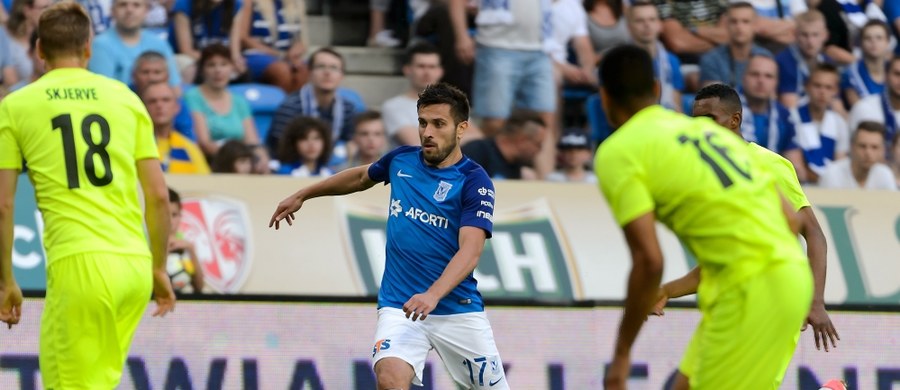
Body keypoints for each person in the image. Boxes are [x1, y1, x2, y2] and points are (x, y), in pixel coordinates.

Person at [595, 45, 812, 390]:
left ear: (604, 97)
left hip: (750, 289)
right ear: (656, 89)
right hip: (776, 278)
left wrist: (621, 355)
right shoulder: (707, 133)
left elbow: (649, 260)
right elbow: (791, 221)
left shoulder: (617, 152)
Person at [269, 82, 508, 390]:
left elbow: (471, 251)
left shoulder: (475, 181)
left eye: (439, 124)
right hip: (401, 305)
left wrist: (433, 294)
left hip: (457, 311)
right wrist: (304, 194)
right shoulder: (401, 160)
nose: (428, 132)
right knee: (390, 379)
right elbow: (359, 177)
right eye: (422, 123)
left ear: (461, 128)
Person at [0, 2, 175, 388]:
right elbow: (159, 197)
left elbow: (3, 204)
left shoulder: (15, 106)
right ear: (88, 49)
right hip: (133, 265)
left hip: (79, 266)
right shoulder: (126, 98)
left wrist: (5, 280)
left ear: (40, 50)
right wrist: (158, 267)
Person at [650, 82, 839, 388]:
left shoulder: (769, 165)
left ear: (734, 120)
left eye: (708, 120)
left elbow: (814, 236)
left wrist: (815, 302)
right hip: (730, 307)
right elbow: (723, 263)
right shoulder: (706, 177)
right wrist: (667, 291)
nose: (699, 129)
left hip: (772, 301)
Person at [88, 0, 182, 90]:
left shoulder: (159, 43)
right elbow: (103, 90)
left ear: (146, 10)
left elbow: (175, 88)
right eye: (123, 5)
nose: (129, 10)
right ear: (112, 11)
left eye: (136, 5)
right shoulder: (100, 45)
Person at [141, 81, 210, 174]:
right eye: (152, 101)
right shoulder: (134, 145)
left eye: (166, 100)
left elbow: (205, 181)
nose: (159, 105)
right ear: (142, 108)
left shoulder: (189, 147)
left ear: (176, 107)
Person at [818, 121, 898, 190]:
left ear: (882, 150)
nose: (868, 152)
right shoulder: (833, 174)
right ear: (852, 147)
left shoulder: (885, 175)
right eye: (862, 146)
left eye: (874, 147)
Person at [167, 187, 204, 293]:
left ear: (180, 216)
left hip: (181, 304)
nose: (170, 221)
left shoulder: (185, 244)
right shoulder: (146, 241)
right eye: (165, 214)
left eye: (174, 215)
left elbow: (199, 287)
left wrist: (191, 250)